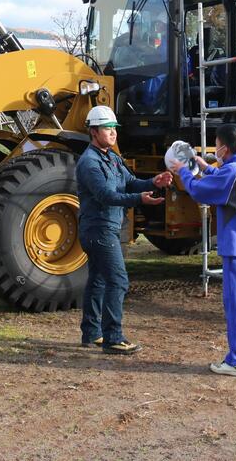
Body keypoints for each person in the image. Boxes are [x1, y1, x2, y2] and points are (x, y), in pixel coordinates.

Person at [167, 124, 236, 377]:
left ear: (225, 147)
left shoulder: (230, 173)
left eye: (216, 144)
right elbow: (224, 178)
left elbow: (200, 191)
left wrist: (183, 172)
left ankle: (235, 361)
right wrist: (204, 166)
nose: (215, 149)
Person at [76, 105, 172, 355]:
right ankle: (113, 338)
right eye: (108, 129)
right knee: (118, 281)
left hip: (106, 229)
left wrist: (153, 182)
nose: (113, 133)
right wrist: (140, 199)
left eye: (114, 129)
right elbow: (106, 195)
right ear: (94, 131)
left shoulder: (112, 157)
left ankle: (92, 333)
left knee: (98, 280)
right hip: (98, 231)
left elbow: (129, 182)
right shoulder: (89, 163)